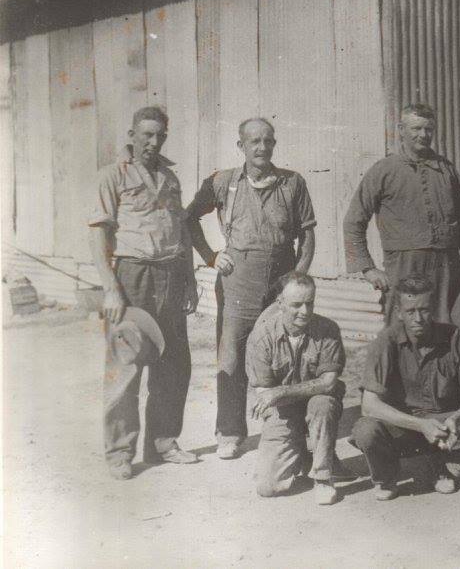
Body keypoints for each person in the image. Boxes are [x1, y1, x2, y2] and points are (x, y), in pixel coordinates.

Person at [186, 117, 316, 460]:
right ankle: (229, 432)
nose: (262, 148)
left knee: (287, 353)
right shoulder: (222, 182)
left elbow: (308, 236)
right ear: (241, 146)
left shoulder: (292, 183)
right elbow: (188, 220)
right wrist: (211, 257)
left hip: (281, 280)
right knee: (231, 354)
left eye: (268, 141)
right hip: (237, 281)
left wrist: (297, 281)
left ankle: (289, 427)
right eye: (254, 142)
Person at [88, 105, 199, 479]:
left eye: (160, 135)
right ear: (132, 135)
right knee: (126, 365)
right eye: (147, 135)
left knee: (174, 363)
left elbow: (181, 231)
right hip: (132, 276)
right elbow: (98, 235)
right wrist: (111, 289)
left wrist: (190, 279)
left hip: (170, 274)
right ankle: (120, 452)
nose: (153, 142)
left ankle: (162, 443)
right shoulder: (112, 175)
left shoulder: (169, 177)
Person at [352, 275, 460, 501]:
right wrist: (420, 425)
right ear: (398, 312)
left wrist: (458, 418)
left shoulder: (454, 336)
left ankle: (446, 465)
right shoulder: (385, 341)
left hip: (446, 426)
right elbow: (369, 406)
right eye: (410, 311)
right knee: (365, 430)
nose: (418, 318)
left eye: (424, 310)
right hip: (403, 427)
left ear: (433, 309)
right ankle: (387, 477)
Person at [344, 104, 460, 323]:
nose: (423, 135)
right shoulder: (383, 171)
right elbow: (354, 221)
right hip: (403, 268)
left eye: (428, 129)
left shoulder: (447, 170)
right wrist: (367, 268)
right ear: (401, 129)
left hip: (447, 269)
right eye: (416, 128)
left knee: (447, 330)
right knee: (403, 332)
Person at [245, 273, 346, 506]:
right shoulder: (261, 337)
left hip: (317, 403)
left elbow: (329, 382)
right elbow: (264, 392)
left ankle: (323, 477)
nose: (305, 311)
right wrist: (277, 396)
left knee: (322, 404)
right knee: (267, 487)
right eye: (296, 305)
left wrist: (281, 392)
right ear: (279, 303)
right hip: (283, 412)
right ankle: (307, 453)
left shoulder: (328, 329)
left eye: (309, 303)